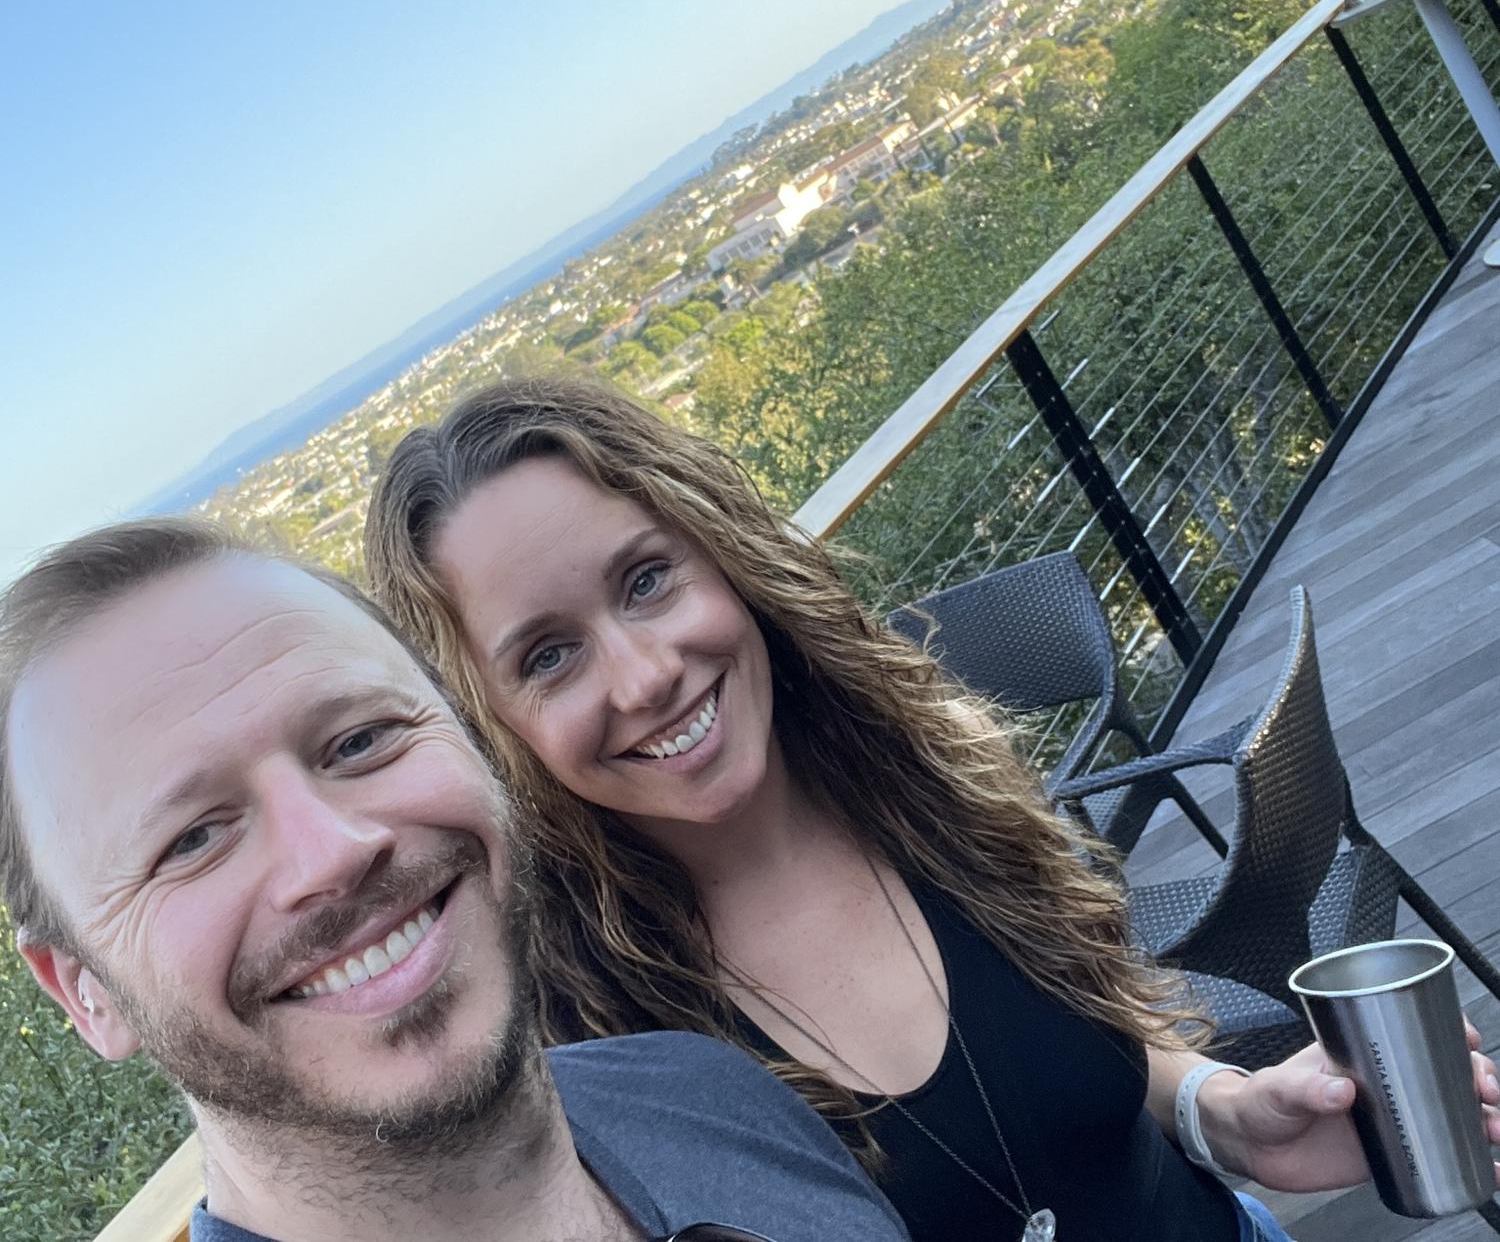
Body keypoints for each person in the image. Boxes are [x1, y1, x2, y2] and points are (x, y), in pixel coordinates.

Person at [365, 374, 1500, 1242]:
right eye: (549, 655)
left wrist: (1227, 1113)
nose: (645, 675)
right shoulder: (579, 1048)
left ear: (725, 556)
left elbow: (1088, 1026)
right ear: (490, 726)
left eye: (647, 579)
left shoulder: (924, 774)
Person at [0, 519, 913, 1242]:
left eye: (360, 740)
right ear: (84, 994)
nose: (334, 851)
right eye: (194, 839)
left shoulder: (707, 1089)